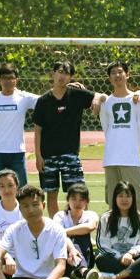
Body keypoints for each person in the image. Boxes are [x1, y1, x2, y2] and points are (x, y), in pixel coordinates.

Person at [32, 59, 100, 216]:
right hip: (48, 156)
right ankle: (57, 228)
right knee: (51, 194)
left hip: (70, 154)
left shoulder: (77, 95)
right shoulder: (43, 101)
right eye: (60, 72)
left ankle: (81, 226)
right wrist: (38, 156)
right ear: (54, 73)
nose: (62, 76)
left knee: (78, 193)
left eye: (66, 73)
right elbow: (37, 130)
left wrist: (97, 97)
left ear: (71, 77)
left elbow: (100, 96)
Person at [97, 60, 140, 223]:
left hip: (130, 158)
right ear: (109, 78)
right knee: (113, 202)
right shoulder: (106, 102)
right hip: (111, 159)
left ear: (127, 74)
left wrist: (131, 147)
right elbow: (106, 127)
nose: (117, 75)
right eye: (113, 73)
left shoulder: (137, 100)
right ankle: (115, 235)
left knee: (139, 200)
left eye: (120, 71)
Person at [0, 63, 39, 203]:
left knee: (22, 193)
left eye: (11, 78)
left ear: (17, 80)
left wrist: (66, 87)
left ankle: (22, 218)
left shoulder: (24, 97)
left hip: (17, 153)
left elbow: (48, 99)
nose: (8, 81)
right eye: (5, 78)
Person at [95, 180, 140, 279]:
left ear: (133, 198)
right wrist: (120, 257)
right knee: (100, 259)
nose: (124, 200)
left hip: (134, 257)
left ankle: (119, 276)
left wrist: (130, 254)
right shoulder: (106, 218)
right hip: (115, 258)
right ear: (115, 198)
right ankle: (139, 272)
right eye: (120, 196)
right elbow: (102, 245)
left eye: (128, 196)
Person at [52, 183, 99, 279]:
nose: (77, 203)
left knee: (81, 235)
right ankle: (84, 273)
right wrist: (72, 249)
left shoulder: (90, 214)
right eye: (73, 199)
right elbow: (60, 238)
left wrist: (64, 232)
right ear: (68, 200)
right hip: (65, 258)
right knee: (65, 239)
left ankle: (80, 273)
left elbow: (89, 227)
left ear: (87, 202)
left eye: (81, 199)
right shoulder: (60, 216)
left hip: (86, 256)